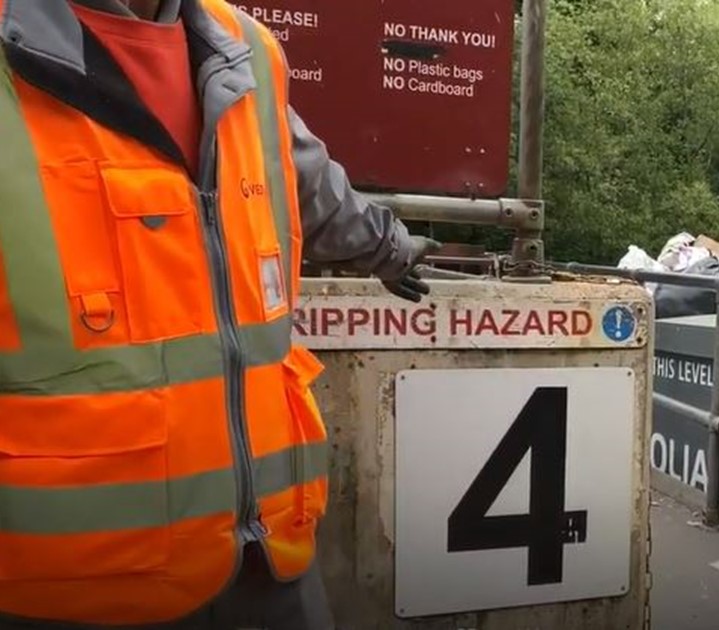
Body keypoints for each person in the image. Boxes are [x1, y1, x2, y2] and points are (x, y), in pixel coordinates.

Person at [0, 0, 439, 627]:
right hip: (68, 590)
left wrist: (388, 247)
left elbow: (301, 177)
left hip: (268, 561)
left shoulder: (243, 45)